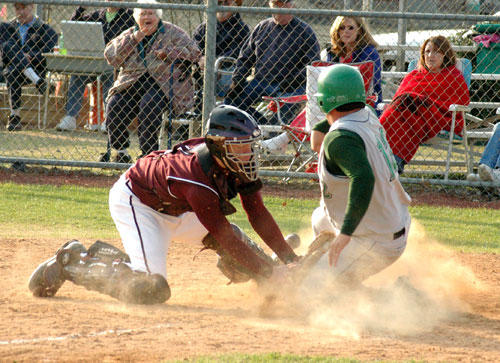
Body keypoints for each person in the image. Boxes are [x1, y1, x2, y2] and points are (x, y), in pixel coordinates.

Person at [28, 105, 300, 304]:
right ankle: (75, 260)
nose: (249, 152)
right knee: (151, 288)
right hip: (139, 204)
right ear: (219, 147)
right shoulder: (195, 178)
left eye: (249, 145)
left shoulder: (229, 161)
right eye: (241, 146)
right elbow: (223, 235)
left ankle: (275, 281)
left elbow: (257, 212)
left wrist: (289, 260)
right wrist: (269, 271)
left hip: (179, 206)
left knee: (239, 246)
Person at [306, 64, 411, 289]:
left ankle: (400, 296)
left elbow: (363, 178)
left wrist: (345, 234)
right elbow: (334, 120)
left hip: (376, 238)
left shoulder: (339, 139)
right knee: (320, 218)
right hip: (391, 218)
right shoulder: (367, 114)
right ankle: (345, 278)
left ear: (324, 101)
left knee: (309, 293)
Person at [262, 15, 381, 155]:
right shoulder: (332, 53)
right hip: (332, 102)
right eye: (342, 28)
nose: (346, 31)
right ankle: (288, 142)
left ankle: (283, 139)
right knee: (316, 103)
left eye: (351, 28)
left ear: (360, 31)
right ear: (336, 31)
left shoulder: (369, 53)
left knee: (318, 106)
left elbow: (370, 86)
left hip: (358, 103)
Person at [103, 0, 201, 163]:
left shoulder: (172, 32)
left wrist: (169, 53)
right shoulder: (130, 33)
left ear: (158, 17)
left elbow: (194, 52)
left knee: (149, 106)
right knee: (114, 105)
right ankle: (121, 150)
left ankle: (149, 155)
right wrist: (134, 38)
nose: (147, 17)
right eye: (143, 14)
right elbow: (111, 56)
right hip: (132, 81)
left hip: (164, 83)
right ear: (136, 17)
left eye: (151, 13)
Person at [379, 35, 470, 174]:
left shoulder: (454, 76)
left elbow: (461, 102)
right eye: (427, 52)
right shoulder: (413, 75)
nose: (430, 56)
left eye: (436, 52)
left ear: (445, 54)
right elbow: (397, 102)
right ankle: (389, 159)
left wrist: (421, 102)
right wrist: (415, 101)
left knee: (408, 104)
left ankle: (392, 159)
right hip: (408, 116)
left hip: (439, 117)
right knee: (405, 107)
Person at [224, 0, 320, 128]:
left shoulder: (304, 31)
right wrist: (237, 81)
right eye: (275, 5)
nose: (278, 10)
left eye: (282, 5)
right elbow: (245, 58)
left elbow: (312, 64)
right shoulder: (262, 27)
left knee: (282, 115)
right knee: (231, 103)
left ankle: (272, 130)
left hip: (290, 86)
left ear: (291, 6)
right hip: (261, 81)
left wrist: (292, 81)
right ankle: (261, 123)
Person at [55, 0, 135, 132]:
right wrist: (82, 8)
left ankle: (109, 119)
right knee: (78, 75)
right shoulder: (97, 15)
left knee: (110, 77)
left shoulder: (130, 16)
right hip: (94, 62)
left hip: (116, 63)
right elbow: (72, 25)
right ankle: (70, 118)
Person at [1, 3, 57, 131]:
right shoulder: (7, 28)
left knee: (13, 71)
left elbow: (49, 52)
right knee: (7, 47)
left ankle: (14, 116)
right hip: (9, 69)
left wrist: (31, 55)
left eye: (24, 7)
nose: (21, 12)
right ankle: (38, 82)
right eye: (17, 8)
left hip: (35, 68)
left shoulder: (44, 29)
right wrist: (20, 56)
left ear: (32, 6)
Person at [192, 0, 250, 115]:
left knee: (217, 73)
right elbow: (194, 46)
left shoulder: (242, 29)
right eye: (218, 2)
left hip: (227, 71)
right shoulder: (204, 27)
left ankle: (205, 115)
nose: (222, 5)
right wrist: (200, 58)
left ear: (235, 4)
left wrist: (215, 63)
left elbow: (238, 53)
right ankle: (192, 117)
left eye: (226, 2)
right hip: (202, 70)